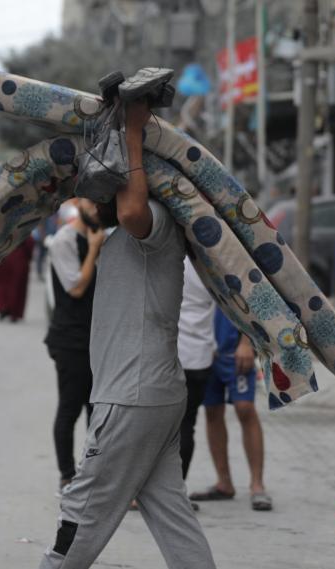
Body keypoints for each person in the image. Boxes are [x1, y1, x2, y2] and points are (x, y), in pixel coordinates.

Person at [40, 100, 216, 569]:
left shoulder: (153, 224)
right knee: (173, 517)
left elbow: (134, 207)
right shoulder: (119, 238)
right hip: (149, 394)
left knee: (80, 515)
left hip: (131, 397)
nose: (87, 201)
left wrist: (132, 131)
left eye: (97, 191)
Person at [44, 198, 104, 491]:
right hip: (70, 339)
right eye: (92, 203)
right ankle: (67, 475)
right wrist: (93, 249)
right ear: (79, 203)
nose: (97, 209)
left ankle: (93, 473)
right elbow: (76, 287)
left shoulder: (102, 236)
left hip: (98, 339)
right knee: (70, 409)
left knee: (98, 411)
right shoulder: (64, 241)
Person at [189, 309, 272, 511]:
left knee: (245, 409)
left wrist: (246, 342)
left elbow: (248, 299)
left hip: (235, 350)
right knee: (212, 411)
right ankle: (224, 483)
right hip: (205, 351)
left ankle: (257, 485)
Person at [176, 257, 216, 481]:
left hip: (170, 355)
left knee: (159, 428)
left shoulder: (168, 257)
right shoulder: (208, 262)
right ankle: (178, 488)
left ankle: (156, 490)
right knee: (186, 425)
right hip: (200, 355)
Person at [0, 236, 35, 322]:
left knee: (1, 284)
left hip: (3, 257)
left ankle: (3, 306)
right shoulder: (23, 230)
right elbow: (29, 243)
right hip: (19, 257)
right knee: (16, 286)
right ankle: (13, 310)